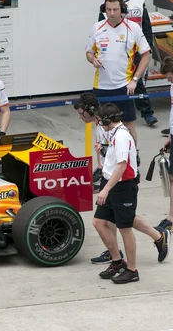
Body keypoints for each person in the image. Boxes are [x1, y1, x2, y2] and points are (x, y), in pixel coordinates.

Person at [93, 103, 170, 284]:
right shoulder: (114, 133)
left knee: (124, 227)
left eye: (100, 120)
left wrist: (105, 189)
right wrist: (103, 152)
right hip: (111, 182)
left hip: (122, 186)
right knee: (99, 222)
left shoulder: (121, 136)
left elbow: (121, 166)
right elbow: (115, 159)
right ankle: (117, 261)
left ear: (106, 120)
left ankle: (132, 270)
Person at [86, 0, 150, 156]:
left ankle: (133, 158)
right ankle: (102, 166)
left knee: (128, 126)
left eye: (115, 9)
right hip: (101, 86)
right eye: (108, 9)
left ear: (122, 9)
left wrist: (135, 80)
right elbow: (89, 52)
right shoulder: (97, 27)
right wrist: (92, 59)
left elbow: (146, 55)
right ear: (104, 10)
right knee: (101, 127)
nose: (112, 13)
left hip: (124, 86)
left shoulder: (133, 28)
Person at [98, 0, 157, 127]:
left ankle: (147, 113)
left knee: (138, 82)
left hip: (136, 50)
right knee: (120, 83)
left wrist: (148, 47)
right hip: (117, 51)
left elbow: (146, 26)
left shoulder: (138, 2)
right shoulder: (106, 5)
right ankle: (116, 115)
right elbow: (99, 30)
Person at [74, 93, 125, 264]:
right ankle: (114, 251)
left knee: (119, 218)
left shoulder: (105, 126)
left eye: (82, 113)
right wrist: (100, 167)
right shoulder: (99, 125)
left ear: (90, 111)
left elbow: (113, 152)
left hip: (115, 177)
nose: (80, 117)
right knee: (114, 217)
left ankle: (157, 236)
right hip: (107, 173)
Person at [157, 56, 173, 231]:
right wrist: (170, 135)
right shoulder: (172, 87)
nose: (168, 79)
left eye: (170, 76)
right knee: (171, 177)